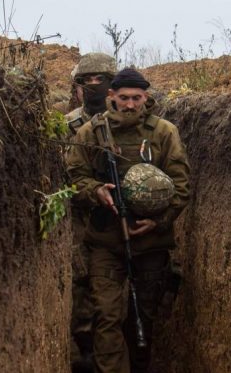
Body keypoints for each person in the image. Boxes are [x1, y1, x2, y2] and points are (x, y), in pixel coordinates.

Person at [65, 68, 190, 373]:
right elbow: (75, 176)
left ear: (146, 97)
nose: (131, 105)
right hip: (105, 242)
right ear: (112, 97)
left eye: (137, 98)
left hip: (150, 243)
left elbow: (181, 184)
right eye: (124, 98)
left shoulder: (164, 132)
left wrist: (159, 221)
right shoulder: (91, 133)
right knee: (105, 317)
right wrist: (95, 191)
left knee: (142, 318)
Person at [65, 52, 117, 372]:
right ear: (79, 87)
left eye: (102, 80)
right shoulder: (69, 124)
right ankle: (86, 356)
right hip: (80, 218)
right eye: (88, 81)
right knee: (81, 286)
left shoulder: (128, 118)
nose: (94, 87)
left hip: (119, 218)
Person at [65, 52, 117, 133]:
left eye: (100, 79)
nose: (93, 84)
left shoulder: (122, 120)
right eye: (88, 80)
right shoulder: (69, 123)